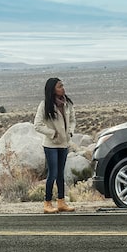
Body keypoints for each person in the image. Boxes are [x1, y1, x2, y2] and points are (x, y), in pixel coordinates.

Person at [33, 77, 75, 213]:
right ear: (52, 89)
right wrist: (52, 133)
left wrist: (70, 132)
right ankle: (47, 203)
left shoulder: (67, 104)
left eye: (63, 85)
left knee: (61, 174)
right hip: (51, 145)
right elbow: (37, 125)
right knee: (53, 174)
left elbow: (73, 120)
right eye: (59, 86)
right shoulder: (45, 105)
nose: (63, 88)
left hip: (64, 144)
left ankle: (61, 202)